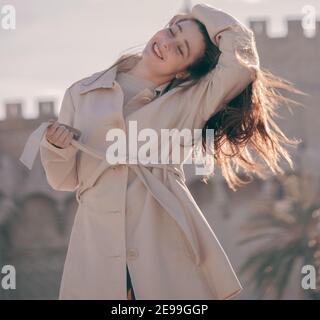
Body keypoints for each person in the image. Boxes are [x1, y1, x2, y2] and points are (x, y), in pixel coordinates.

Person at [19, 3, 304, 300]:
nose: (166, 43)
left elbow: (242, 61)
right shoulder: (82, 92)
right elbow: (63, 180)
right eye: (171, 31)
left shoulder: (192, 100)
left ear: (183, 72)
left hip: (161, 235)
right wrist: (57, 147)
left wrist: (197, 10)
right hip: (96, 241)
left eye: (180, 49)